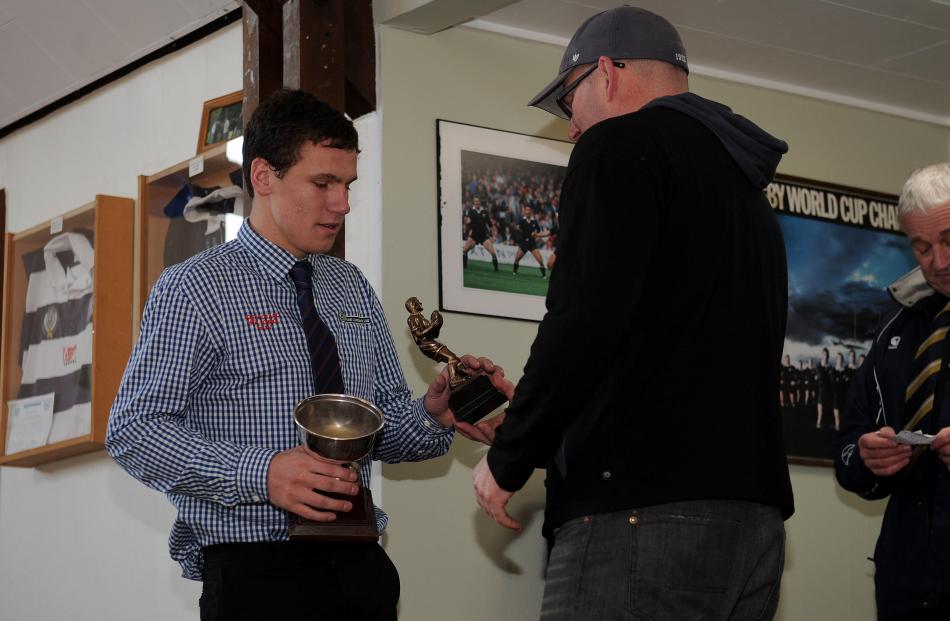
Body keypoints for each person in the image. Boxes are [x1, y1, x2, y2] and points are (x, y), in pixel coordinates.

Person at [106, 88, 508, 621]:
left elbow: (382, 430)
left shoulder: (351, 288)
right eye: (323, 183)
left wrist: (435, 414)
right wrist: (264, 473)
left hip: (362, 568)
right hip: (257, 574)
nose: (341, 204)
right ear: (264, 176)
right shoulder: (195, 288)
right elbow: (133, 430)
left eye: (347, 185)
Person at [470, 6, 794, 620]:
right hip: (752, 523)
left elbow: (584, 318)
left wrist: (510, 455)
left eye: (571, 103)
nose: (572, 130)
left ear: (608, 74)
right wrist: (556, 420)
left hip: (641, 515)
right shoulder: (747, 190)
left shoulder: (616, 146)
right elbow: (662, 343)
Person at [836, 161, 950, 620]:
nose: (937, 263)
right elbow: (848, 445)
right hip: (907, 580)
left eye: (949, 241)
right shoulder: (895, 323)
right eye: (921, 247)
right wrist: (866, 457)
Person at [462, 197, 499, 271]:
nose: (476, 203)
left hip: (483, 235)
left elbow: (490, 225)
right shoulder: (471, 211)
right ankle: (464, 266)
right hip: (474, 235)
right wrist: (467, 224)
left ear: (480, 202)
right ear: (473, 202)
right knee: (464, 250)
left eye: (477, 201)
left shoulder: (485, 211)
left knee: (493, 253)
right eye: (475, 201)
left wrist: (493, 236)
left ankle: (496, 269)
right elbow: (468, 221)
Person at [512, 205, 549, 277]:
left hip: (532, 244)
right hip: (524, 244)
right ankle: (514, 272)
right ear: (524, 211)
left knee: (540, 260)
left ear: (531, 211)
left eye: (529, 210)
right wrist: (517, 228)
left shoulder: (534, 221)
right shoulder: (521, 221)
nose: (528, 212)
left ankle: (544, 276)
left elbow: (538, 232)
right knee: (517, 259)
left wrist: (536, 235)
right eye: (527, 210)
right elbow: (518, 229)